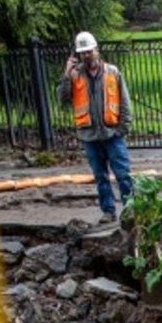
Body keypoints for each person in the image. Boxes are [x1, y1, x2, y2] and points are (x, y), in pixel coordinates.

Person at [58, 31, 133, 223]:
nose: (86, 56)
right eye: (82, 53)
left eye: (89, 52)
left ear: (96, 50)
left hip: (112, 134)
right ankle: (108, 212)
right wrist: (67, 73)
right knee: (101, 178)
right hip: (90, 136)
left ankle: (131, 211)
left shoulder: (112, 72)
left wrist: (122, 129)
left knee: (123, 175)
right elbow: (62, 99)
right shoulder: (74, 76)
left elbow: (124, 102)